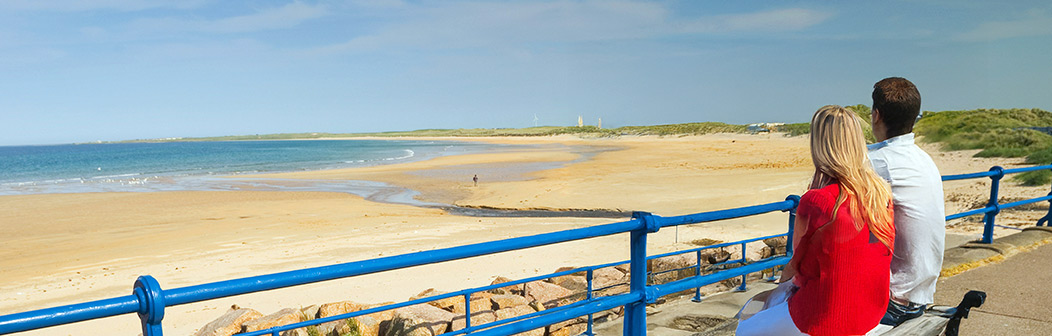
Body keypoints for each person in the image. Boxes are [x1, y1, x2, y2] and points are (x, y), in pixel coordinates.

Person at [737, 105, 895, 336]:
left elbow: (799, 266)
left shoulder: (818, 200)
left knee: (746, 329)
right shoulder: (880, 194)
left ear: (820, 145)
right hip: (871, 312)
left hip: (823, 319)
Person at [868, 77, 946, 327]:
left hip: (894, 300)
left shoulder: (878, 161)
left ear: (876, 115)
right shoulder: (923, 159)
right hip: (921, 291)